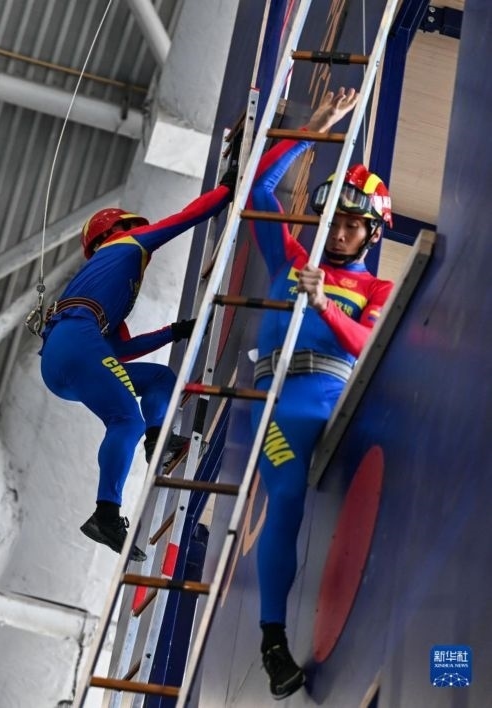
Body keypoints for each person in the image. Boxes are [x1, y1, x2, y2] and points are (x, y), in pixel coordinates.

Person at [248, 87, 394, 699]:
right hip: (281, 405)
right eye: (334, 217)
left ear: (371, 233)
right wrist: (313, 128)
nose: (338, 231)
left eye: (353, 224)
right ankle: (272, 641)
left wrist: (324, 303)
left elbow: (366, 342)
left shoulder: (376, 289)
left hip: (336, 403)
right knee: (285, 499)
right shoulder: (290, 257)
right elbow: (259, 193)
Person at [39, 175, 236, 561]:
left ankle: (157, 440)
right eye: (131, 226)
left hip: (65, 360)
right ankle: (106, 514)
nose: (136, 230)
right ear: (115, 231)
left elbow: (120, 352)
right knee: (126, 420)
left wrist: (174, 332)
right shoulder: (124, 245)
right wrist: (227, 191)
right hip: (77, 340)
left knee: (158, 378)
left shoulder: (108, 288)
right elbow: (185, 218)